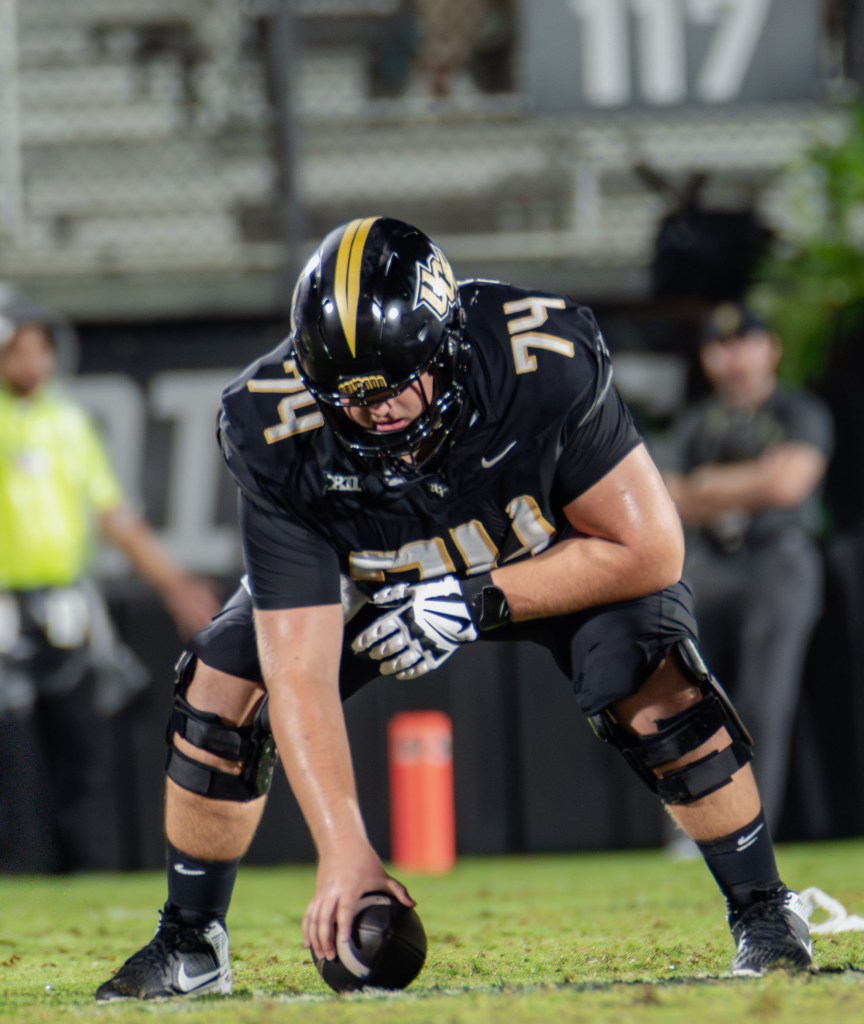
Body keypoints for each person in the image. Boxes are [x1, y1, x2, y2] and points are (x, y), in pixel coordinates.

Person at [95, 218, 813, 1000]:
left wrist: (475, 601)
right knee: (224, 684)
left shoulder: (538, 360)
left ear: (447, 347)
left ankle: (765, 909)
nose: (379, 412)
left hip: (550, 559)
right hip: (378, 576)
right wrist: (344, 851)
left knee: (650, 672)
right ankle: (190, 939)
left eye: (395, 383)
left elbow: (650, 551)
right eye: (352, 395)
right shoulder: (272, 426)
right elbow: (295, 668)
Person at [0, 311, 222, 873]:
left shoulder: (68, 423)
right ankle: (17, 873)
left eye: (39, 349)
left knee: (81, 745)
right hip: (3, 605)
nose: (31, 363)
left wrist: (173, 583)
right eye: (17, 351)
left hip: (66, 604)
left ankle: (86, 873)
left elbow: (115, 516)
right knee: (11, 757)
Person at [662, 304, 834, 832]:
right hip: (711, 562)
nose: (732, 357)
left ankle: (753, 828)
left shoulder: (798, 411)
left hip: (777, 559)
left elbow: (788, 484)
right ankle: (694, 827)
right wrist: (751, 479)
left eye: (743, 344)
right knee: (687, 696)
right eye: (719, 346)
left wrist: (708, 483)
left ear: (770, 350)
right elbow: (665, 496)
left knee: (764, 700)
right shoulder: (697, 420)